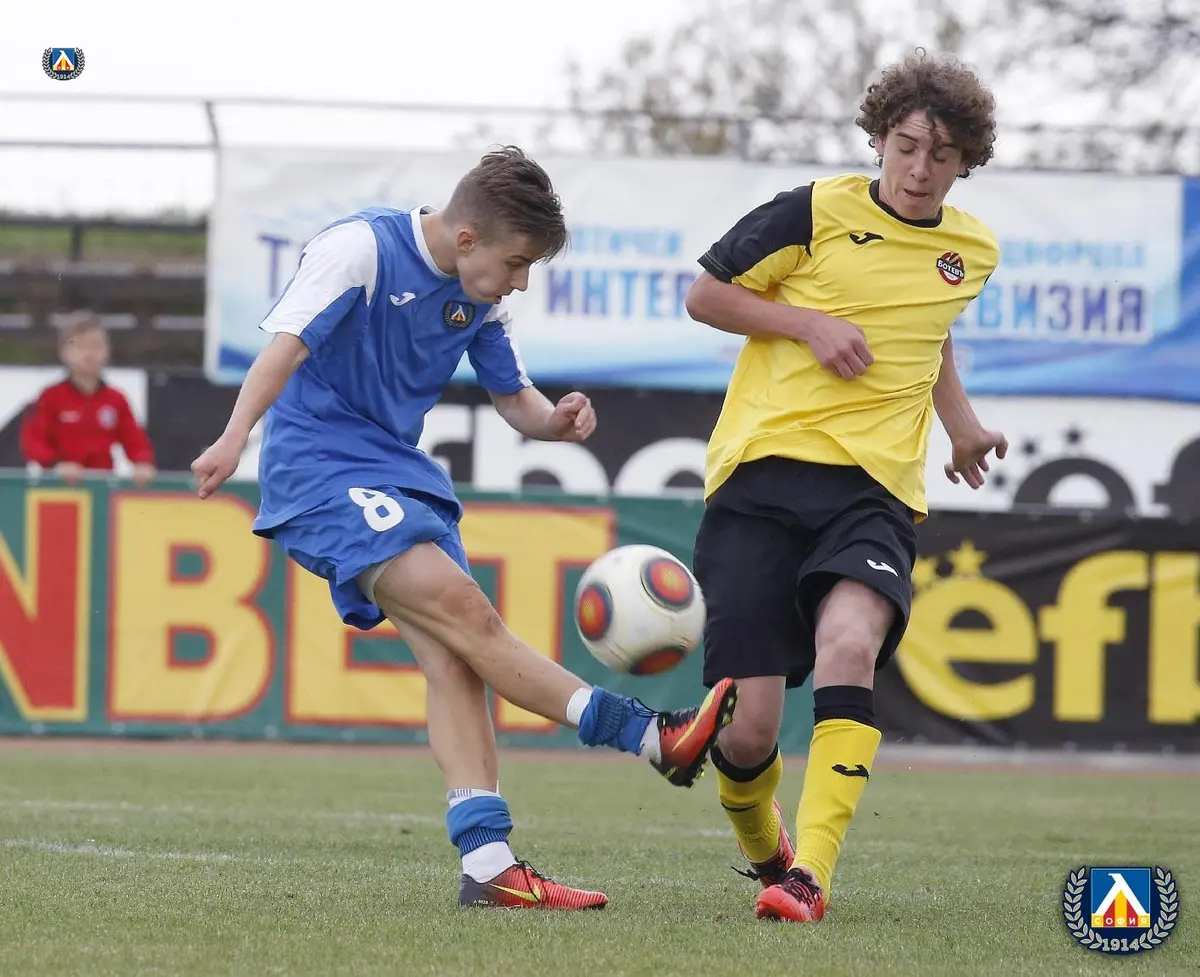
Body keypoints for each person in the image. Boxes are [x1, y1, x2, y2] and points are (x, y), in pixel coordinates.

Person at [191, 146, 738, 911]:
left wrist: (554, 421)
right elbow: (284, 347)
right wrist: (232, 437)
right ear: (468, 237)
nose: (521, 281)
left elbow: (513, 397)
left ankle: (488, 866)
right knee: (469, 616)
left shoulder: (478, 294)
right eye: (517, 263)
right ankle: (650, 736)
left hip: (397, 472)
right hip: (319, 470)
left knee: (456, 659)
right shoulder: (358, 250)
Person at [683, 49, 1008, 924]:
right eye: (906, 146)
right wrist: (808, 324)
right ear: (879, 139)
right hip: (760, 477)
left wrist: (962, 424)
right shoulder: (811, 210)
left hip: (874, 491)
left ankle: (811, 877)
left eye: (941, 155)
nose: (919, 169)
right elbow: (706, 296)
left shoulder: (972, 251)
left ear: (965, 161)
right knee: (749, 731)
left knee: (850, 644)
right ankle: (768, 848)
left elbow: (929, 333)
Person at [20, 311, 157, 486]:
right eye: (80, 346)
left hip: (101, 486)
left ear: (107, 351)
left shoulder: (115, 399)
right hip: (59, 487)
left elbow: (135, 440)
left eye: (96, 345)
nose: (89, 353)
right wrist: (56, 465)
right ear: (64, 352)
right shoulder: (50, 397)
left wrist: (142, 463)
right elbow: (33, 441)